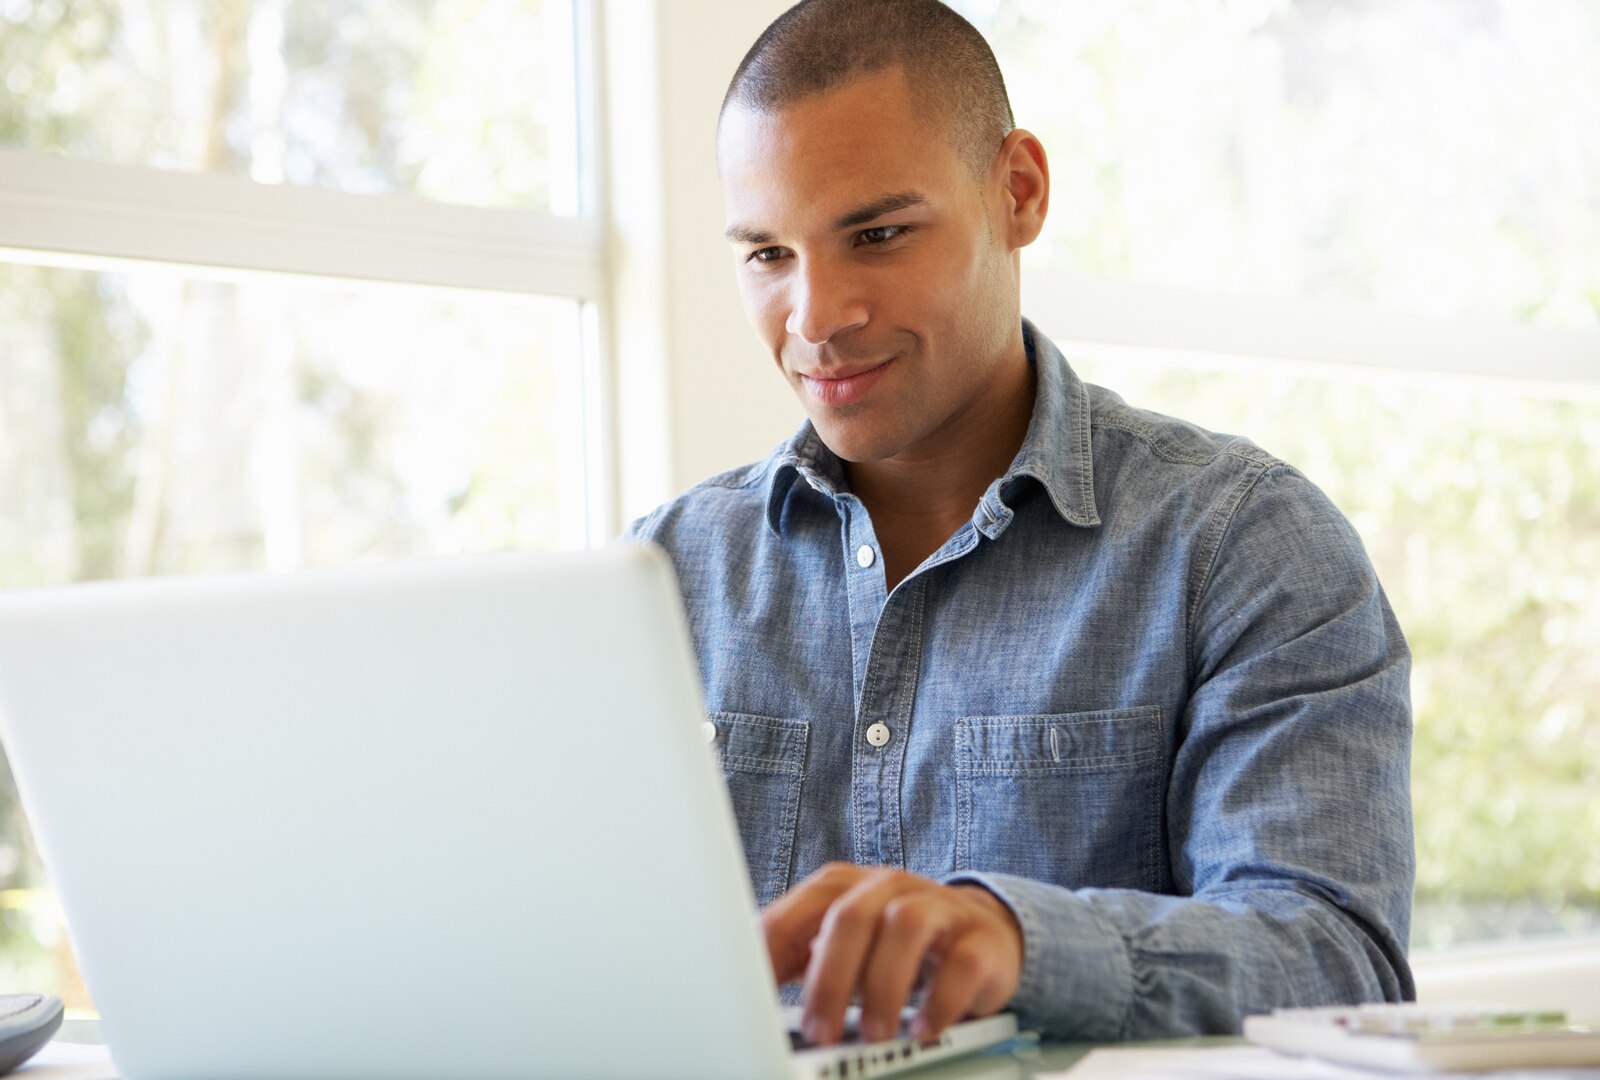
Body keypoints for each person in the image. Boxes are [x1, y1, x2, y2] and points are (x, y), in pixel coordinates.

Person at [625, 0, 1414, 1047]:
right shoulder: (659, 577)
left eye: (877, 234)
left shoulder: (1241, 546)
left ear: (1018, 192)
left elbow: (1334, 954)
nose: (814, 318)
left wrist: (1020, 938)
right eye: (768, 254)